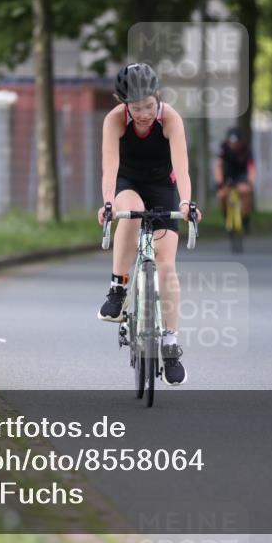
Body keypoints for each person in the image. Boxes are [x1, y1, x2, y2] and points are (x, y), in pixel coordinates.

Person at [95, 63, 202, 386]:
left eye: (148, 106)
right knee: (132, 211)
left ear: (158, 98)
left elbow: (182, 169)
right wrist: (108, 204)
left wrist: (185, 203)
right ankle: (118, 287)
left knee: (167, 267)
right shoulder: (114, 120)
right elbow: (109, 169)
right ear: (121, 101)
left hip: (162, 185)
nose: (143, 114)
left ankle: (169, 344)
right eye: (135, 107)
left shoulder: (170, 119)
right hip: (127, 182)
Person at [214, 127, 256, 230]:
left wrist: (250, 182)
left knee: (245, 192)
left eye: (236, 143)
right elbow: (218, 165)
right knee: (222, 195)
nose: (233, 145)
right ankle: (226, 217)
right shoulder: (223, 147)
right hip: (227, 175)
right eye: (231, 142)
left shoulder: (246, 149)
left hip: (241, 175)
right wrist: (219, 182)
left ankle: (245, 219)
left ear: (241, 142)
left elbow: (251, 168)